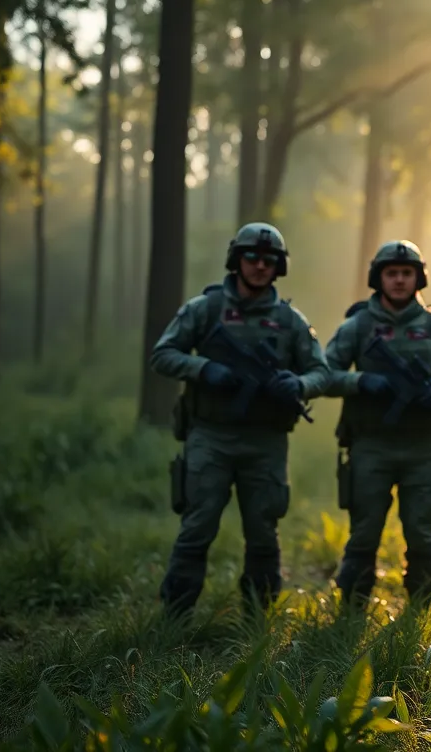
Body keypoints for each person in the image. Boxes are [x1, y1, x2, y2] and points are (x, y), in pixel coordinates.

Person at [150, 222, 329, 618]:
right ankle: (175, 617)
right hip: (211, 436)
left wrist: (298, 384)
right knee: (197, 526)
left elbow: (323, 373)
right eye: (252, 257)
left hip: (266, 441)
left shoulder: (290, 321)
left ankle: (258, 618)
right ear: (237, 260)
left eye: (269, 260)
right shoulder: (205, 309)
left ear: (279, 266)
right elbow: (163, 354)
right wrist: (203, 369)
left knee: (264, 531)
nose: (260, 266)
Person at [323, 239, 431, 608]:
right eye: (391, 273)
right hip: (370, 444)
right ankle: (352, 604)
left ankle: (422, 605)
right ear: (378, 278)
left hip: (421, 447)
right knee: (364, 529)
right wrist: (361, 381)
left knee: (421, 530)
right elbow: (323, 375)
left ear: (418, 278)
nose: (398, 280)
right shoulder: (358, 326)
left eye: (406, 273)